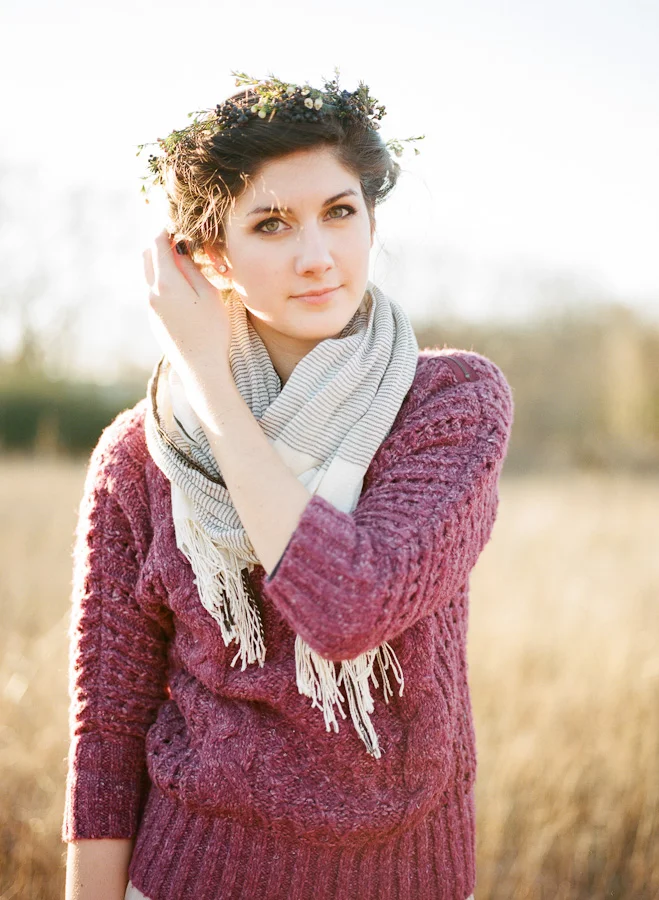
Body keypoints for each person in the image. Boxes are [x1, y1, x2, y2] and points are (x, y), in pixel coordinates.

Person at [62, 71, 513, 900]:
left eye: (340, 212)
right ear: (208, 259)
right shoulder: (141, 455)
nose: (317, 256)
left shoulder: (450, 404)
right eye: (271, 223)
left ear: (371, 220)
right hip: (186, 876)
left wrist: (209, 377)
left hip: (405, 876)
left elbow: (349, 607)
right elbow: (109, 726)